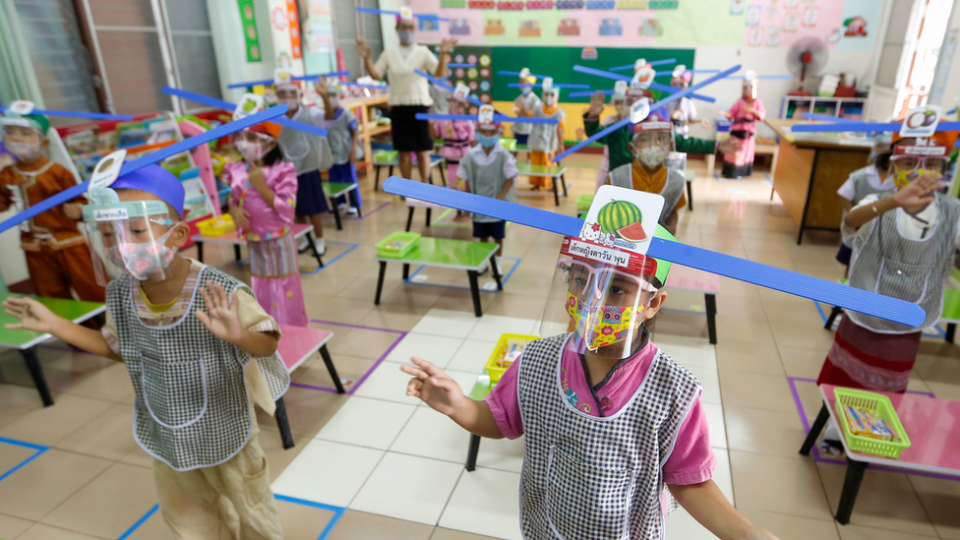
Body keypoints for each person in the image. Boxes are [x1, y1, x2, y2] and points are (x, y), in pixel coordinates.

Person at [400, 203, 780, 540]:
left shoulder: (675, 393)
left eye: (617, 288)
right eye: (581, 279)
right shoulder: (536, 361)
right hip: (548, 526)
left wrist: (744, 533)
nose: (592, 300)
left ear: (653, 302)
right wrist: (458, 406)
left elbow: (689, 481)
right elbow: (500, 422)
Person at [2, 165, 289, 538]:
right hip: (165, 426)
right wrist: (56, 325)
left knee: (251, 508)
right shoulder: (120, 292)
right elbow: (119, 349)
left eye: (135, 230)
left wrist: (238, 335)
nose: (121, 243)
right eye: (108, 233)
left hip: (225, 429)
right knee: (189, 512)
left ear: (178, 234)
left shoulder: (221, 289)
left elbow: (267, 342)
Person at [817, 127, 960, 395]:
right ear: (894, 168)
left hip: (910, 315)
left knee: (888, 384)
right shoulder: (877, 202)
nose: (919, 171)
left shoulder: (953, 212)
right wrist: (893, 201)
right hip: (865, 308)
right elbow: (851, 221)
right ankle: (835, 430)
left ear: (941, 168)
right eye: (909, 163)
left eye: (930, 164)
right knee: (845, 379)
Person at [0, 110, 105, 303]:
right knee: (51, 297)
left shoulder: (58, 173)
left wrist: (79, 210)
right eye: (10, 132)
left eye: (25, 133)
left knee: (94, 289)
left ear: (44, 142)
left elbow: (81, 202)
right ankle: (70, 330)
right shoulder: (6, 174)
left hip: (69, 244)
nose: (16, 138)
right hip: (34, 249)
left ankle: (109, 327)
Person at [356, 11, 457, 185]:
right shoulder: (389, 52)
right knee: (403, 153)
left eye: (411, 27)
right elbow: (375, 74)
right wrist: (366, 58)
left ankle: (424, 187)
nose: (407, 31)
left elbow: (438, 73)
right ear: (397, 28)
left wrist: (442, 56)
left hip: (420, 108)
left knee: (423, 151)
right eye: (404, 27)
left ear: (414, 29)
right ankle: (407, 188)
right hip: (399, 109)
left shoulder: (423, 52)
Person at [226, 125, 308, 326]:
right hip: (254, 239)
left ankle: (291, 327)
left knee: (285, 284)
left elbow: (287, 208)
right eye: (243, 137)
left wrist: (261, 186)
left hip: (278, 239)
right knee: (261, 284)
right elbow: (233, 199)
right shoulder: (237, 168)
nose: (244, 142)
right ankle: (267, 326)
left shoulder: (282, 170)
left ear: (270, 142)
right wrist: (234, 210)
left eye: (252, 138)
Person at [584, 91, 742, 176]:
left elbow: (685, 142)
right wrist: (593, 115)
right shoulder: (619, 130)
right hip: (620, 180)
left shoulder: (660, 132)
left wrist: (717, 145)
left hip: (650, 181)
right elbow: (594, 133)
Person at [605, 107, 687, 234]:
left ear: (671, 145)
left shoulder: (676, 182)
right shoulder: (616, 179)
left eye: (660, 138)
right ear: (632, 148)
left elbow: (672, 211)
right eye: (644, 139)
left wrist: (671, 228)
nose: (653, 145)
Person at [275, 79, 333, 255]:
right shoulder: (276, 118)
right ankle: (305, 238)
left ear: (299, 95)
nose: (287, 97)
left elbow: (328, 117)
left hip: (309, 168)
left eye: (291, 93)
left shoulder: (310, 113)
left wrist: (324, 95)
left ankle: (320, 240)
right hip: (288, 171)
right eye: (282, 94)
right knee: (297, 208)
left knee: (313, 209)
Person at [458, 107, 518, 276]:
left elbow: (510, 178)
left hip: (497, 206)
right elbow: (466, 179)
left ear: (498, 132)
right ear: (478, 131)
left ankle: (497, 265)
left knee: (498, 237)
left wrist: (498, 199)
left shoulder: (504, 155)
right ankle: (483, 262)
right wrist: (468, 201)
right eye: (484, 131)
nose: (487, 135)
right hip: (479, 205)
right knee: (482, 236)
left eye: (491, 132)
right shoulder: (471, 156)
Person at [833, 139, 894, 276]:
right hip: (859, 229)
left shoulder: (898, 179)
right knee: (852, 262)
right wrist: (856, 215)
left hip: (885, 230)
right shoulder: (859, 176)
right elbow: (845, 197)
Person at [316, 78, 362, 215]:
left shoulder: (346, 115)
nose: (331, 98)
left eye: (333, 95)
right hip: (332, 154)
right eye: (328, 95)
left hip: (345, 153)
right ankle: (339, 202)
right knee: (334, 181)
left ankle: (354, 204)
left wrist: (352, 151)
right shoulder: (325, 116)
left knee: (349, 179)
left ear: (339, 96)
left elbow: (355, 134)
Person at [719, 71, 766, 178]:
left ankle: (741, 172)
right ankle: (730, 172)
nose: (747, 90)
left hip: (748, 133)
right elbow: (731, 113)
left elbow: (761, 115)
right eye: (746, 88)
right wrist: (724, 114)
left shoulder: (757, 102)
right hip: (737, 131)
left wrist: (753, 111)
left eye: (750, 88)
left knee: (745, 153)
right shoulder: (740, 101)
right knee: (733, 151)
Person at [528, 79, 566, 191]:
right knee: (535, 162)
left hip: (550, 143)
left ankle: (550, 183)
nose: (549, 97)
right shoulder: (537, 109)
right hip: (536, 140)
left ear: (557, 97)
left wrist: (560, 144)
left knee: (548, 163)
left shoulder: (559, 112)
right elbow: (530, 118)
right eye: (546, 94)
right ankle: (536, 183)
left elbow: (561, 129)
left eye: (552, 94)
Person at [595, 83, 628, 190]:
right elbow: (598, 136)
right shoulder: (609, 121)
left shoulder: (632, 122)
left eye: (622, 102)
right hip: (607, 166)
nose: (619, 105)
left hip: (626, 167)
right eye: (617, 102)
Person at [668, 66, 710, 139]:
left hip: (683, 135)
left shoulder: (688, 103)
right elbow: (662, 118)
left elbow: (689, 120)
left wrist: (700, 120)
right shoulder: (667, 102)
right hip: (669, 134)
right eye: (675, 85)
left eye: (681, 85)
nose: (678, 88)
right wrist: (672, 117)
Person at [511, 68, 541, 146]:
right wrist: (518, 111)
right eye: (520, 83)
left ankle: (529, 159)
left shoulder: (536, 100)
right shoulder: (518, 99)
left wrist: (522, 109)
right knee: (515, 148)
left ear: (530, 85)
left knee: (529, 150)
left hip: (530, 131)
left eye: (524, 83)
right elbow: (518, 113)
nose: (522, 86)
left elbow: (533, 115)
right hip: (518, 129)